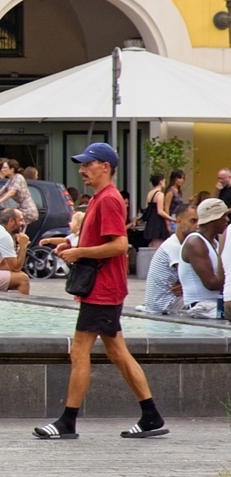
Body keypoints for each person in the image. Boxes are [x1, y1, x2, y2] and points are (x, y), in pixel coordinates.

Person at [35, 142, 168, 440]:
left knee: (80, 351)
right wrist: (73, 247)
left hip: (103, 289)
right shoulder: (100, 198)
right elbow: (101, 241)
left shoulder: (108, 200)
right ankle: (151, 414)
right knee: (117, 352)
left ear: (105, 166)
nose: (82, 169)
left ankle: (67, 422)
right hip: (103, 288)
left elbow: (120, 245)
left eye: (88, 164)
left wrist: (80, 252)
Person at [145, 201, 198, 316]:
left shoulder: (181, 244)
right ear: (179, 221)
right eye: (193, 221)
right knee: (208, 304)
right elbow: (195, 280)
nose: (197, 226)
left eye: (199, 221)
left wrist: (185, 285)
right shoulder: (174, 247)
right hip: (164, 304)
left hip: (164, 301)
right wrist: (187, 285)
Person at [179, 198, 227, 320]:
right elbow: (211, 283)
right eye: (224, 216)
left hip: (215, 304)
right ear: (214, 219)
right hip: (200, 307)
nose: (227, 220)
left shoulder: (215, 243)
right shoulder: (195, 243)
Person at [0, 157, 38, 225]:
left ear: (12, 169)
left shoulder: (19, 178)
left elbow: (11, 192)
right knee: (3, 221)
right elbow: (0, 191)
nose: (2, 170)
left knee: (4, 221)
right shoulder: (11, 180)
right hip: (21, 209)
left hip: (28, 211)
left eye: (5, 168)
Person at [142, 173, 172, 245]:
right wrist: (171, 219)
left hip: (150, 221)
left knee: (152, 243)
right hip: (158, 222)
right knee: (158, 244)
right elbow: (160, 211)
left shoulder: (150, 193)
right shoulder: (160, 194)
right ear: (160, 182)